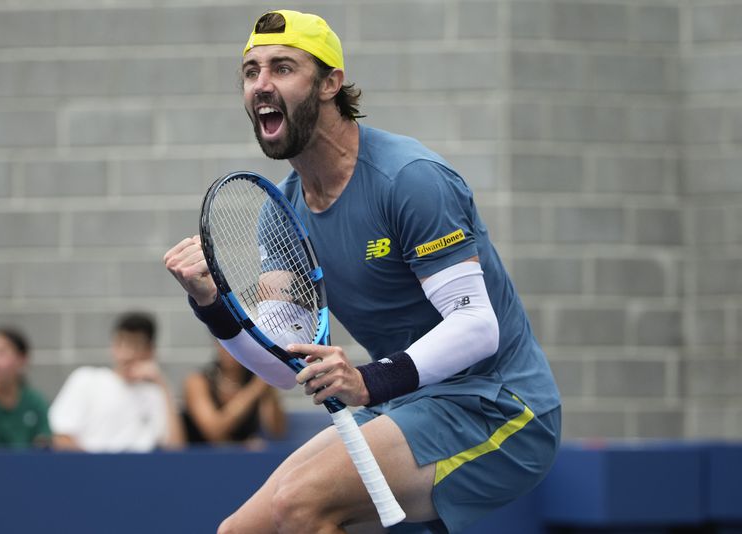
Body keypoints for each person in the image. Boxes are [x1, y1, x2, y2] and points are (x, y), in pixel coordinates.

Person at [164, 9, 561, 533]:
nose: (261, 84)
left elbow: (476, 326)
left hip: (499, 407)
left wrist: (368, 380)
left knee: (300, 504)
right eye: (251, 71)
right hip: (406, 403)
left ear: (331, 83)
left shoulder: (411, 181)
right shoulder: (282, 213)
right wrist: (213, 304)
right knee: (240, 530)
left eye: (282, 68)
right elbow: (287, 366)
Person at [48, 311, 184, 452]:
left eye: (136, 345)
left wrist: (162, 383)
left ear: (150, 350)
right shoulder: (85, 379)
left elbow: (175, 449)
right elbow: (62, 437)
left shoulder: (156, 394)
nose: (127, 354)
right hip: (89, 469)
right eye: (121, 343)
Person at [182, 340, 286, 448]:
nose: (230, 350)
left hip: (244, 460)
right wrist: (255, 389)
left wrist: (269, 383)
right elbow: (213, 431)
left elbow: (276, 432)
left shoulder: (257, 378)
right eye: (224, 342)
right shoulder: (198, 380)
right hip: (200, 458)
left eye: (238, 343)